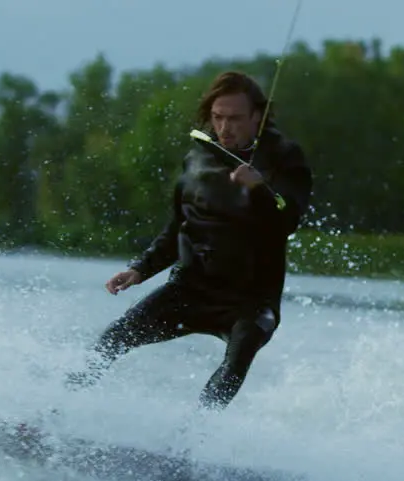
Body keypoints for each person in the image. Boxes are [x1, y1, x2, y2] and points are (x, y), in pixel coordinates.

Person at [66, 70, 313, 410]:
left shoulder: (285, 157)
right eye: (218, 118)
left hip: (251, 299)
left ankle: (191, 441)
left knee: (236, 361)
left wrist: (258, 189)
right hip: (191, 288)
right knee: (114, 338)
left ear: (257, 115)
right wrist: (141, 268)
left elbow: (288, 222)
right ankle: (53, 410)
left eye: (236, 119)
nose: (226, 128)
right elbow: (180, 226)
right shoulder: (198, 157)